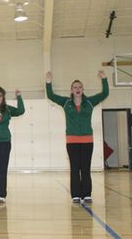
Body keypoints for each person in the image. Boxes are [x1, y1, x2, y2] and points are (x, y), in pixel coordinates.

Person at [46, 70, 108, 203]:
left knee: (85, 168)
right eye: (75, 87)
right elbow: (51, 95)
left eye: (80, 87)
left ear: (83, 89)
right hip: (72, 140)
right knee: (75, 168)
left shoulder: (90, 102)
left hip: (87, 140)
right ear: (71, 90)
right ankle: (75, 195)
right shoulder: (66, 102)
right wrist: (48, 82)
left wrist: (104, 79)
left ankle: (87, 194)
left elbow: (105, 94)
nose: (77, 89)